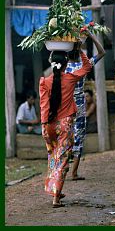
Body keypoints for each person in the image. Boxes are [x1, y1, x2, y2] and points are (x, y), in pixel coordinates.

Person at [39, 49, 92, 207]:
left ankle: (56, 190)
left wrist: (43, 126)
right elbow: (88, 66)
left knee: (53, 158)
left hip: (48, 125)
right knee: (62, 161)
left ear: (51, 61)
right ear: (66, 63)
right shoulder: (70, 78)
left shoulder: (44, 81)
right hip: (65, 125)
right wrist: (80, 49)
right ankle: (56, 198)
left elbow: (43, 106)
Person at [65, 31, 105, 180]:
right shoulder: (84, 64)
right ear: (80, 50)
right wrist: (90, 35)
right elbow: (102, 52)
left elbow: (52, 57)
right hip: (80, 104)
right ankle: (74, 172)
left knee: (65, 135)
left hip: (66, 104)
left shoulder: (63, 66)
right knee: (79, 136)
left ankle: (63, 169)